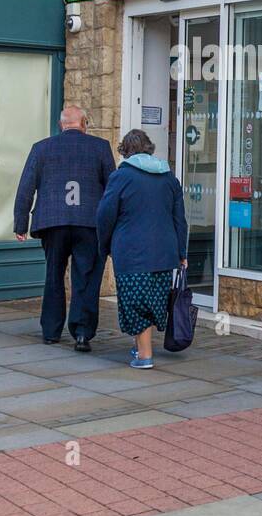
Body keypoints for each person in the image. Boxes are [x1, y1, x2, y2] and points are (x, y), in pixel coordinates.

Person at [14, 106, 116, 351]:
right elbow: (113, 190)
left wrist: (21, 224)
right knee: (86, 277)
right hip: (89, 224)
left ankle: (51, 331)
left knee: (53, 275)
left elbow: (25, 187)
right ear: (84, 123)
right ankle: (82, 333)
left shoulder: (41, 148)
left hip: (53, 222)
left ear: (61, 125)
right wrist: (114, 226)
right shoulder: (100, 147)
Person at [96, 129, 188, 370]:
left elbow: (105, 215)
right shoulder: (169, 178)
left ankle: (145, 355)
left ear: (125, 151)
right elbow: (180, 218)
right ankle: (141, 348)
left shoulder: (121, 176)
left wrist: (103, 244)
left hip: (131, 251)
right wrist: (181, 252)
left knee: (135, 303)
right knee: (152, 301)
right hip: (164, 252)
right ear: (149, 148)